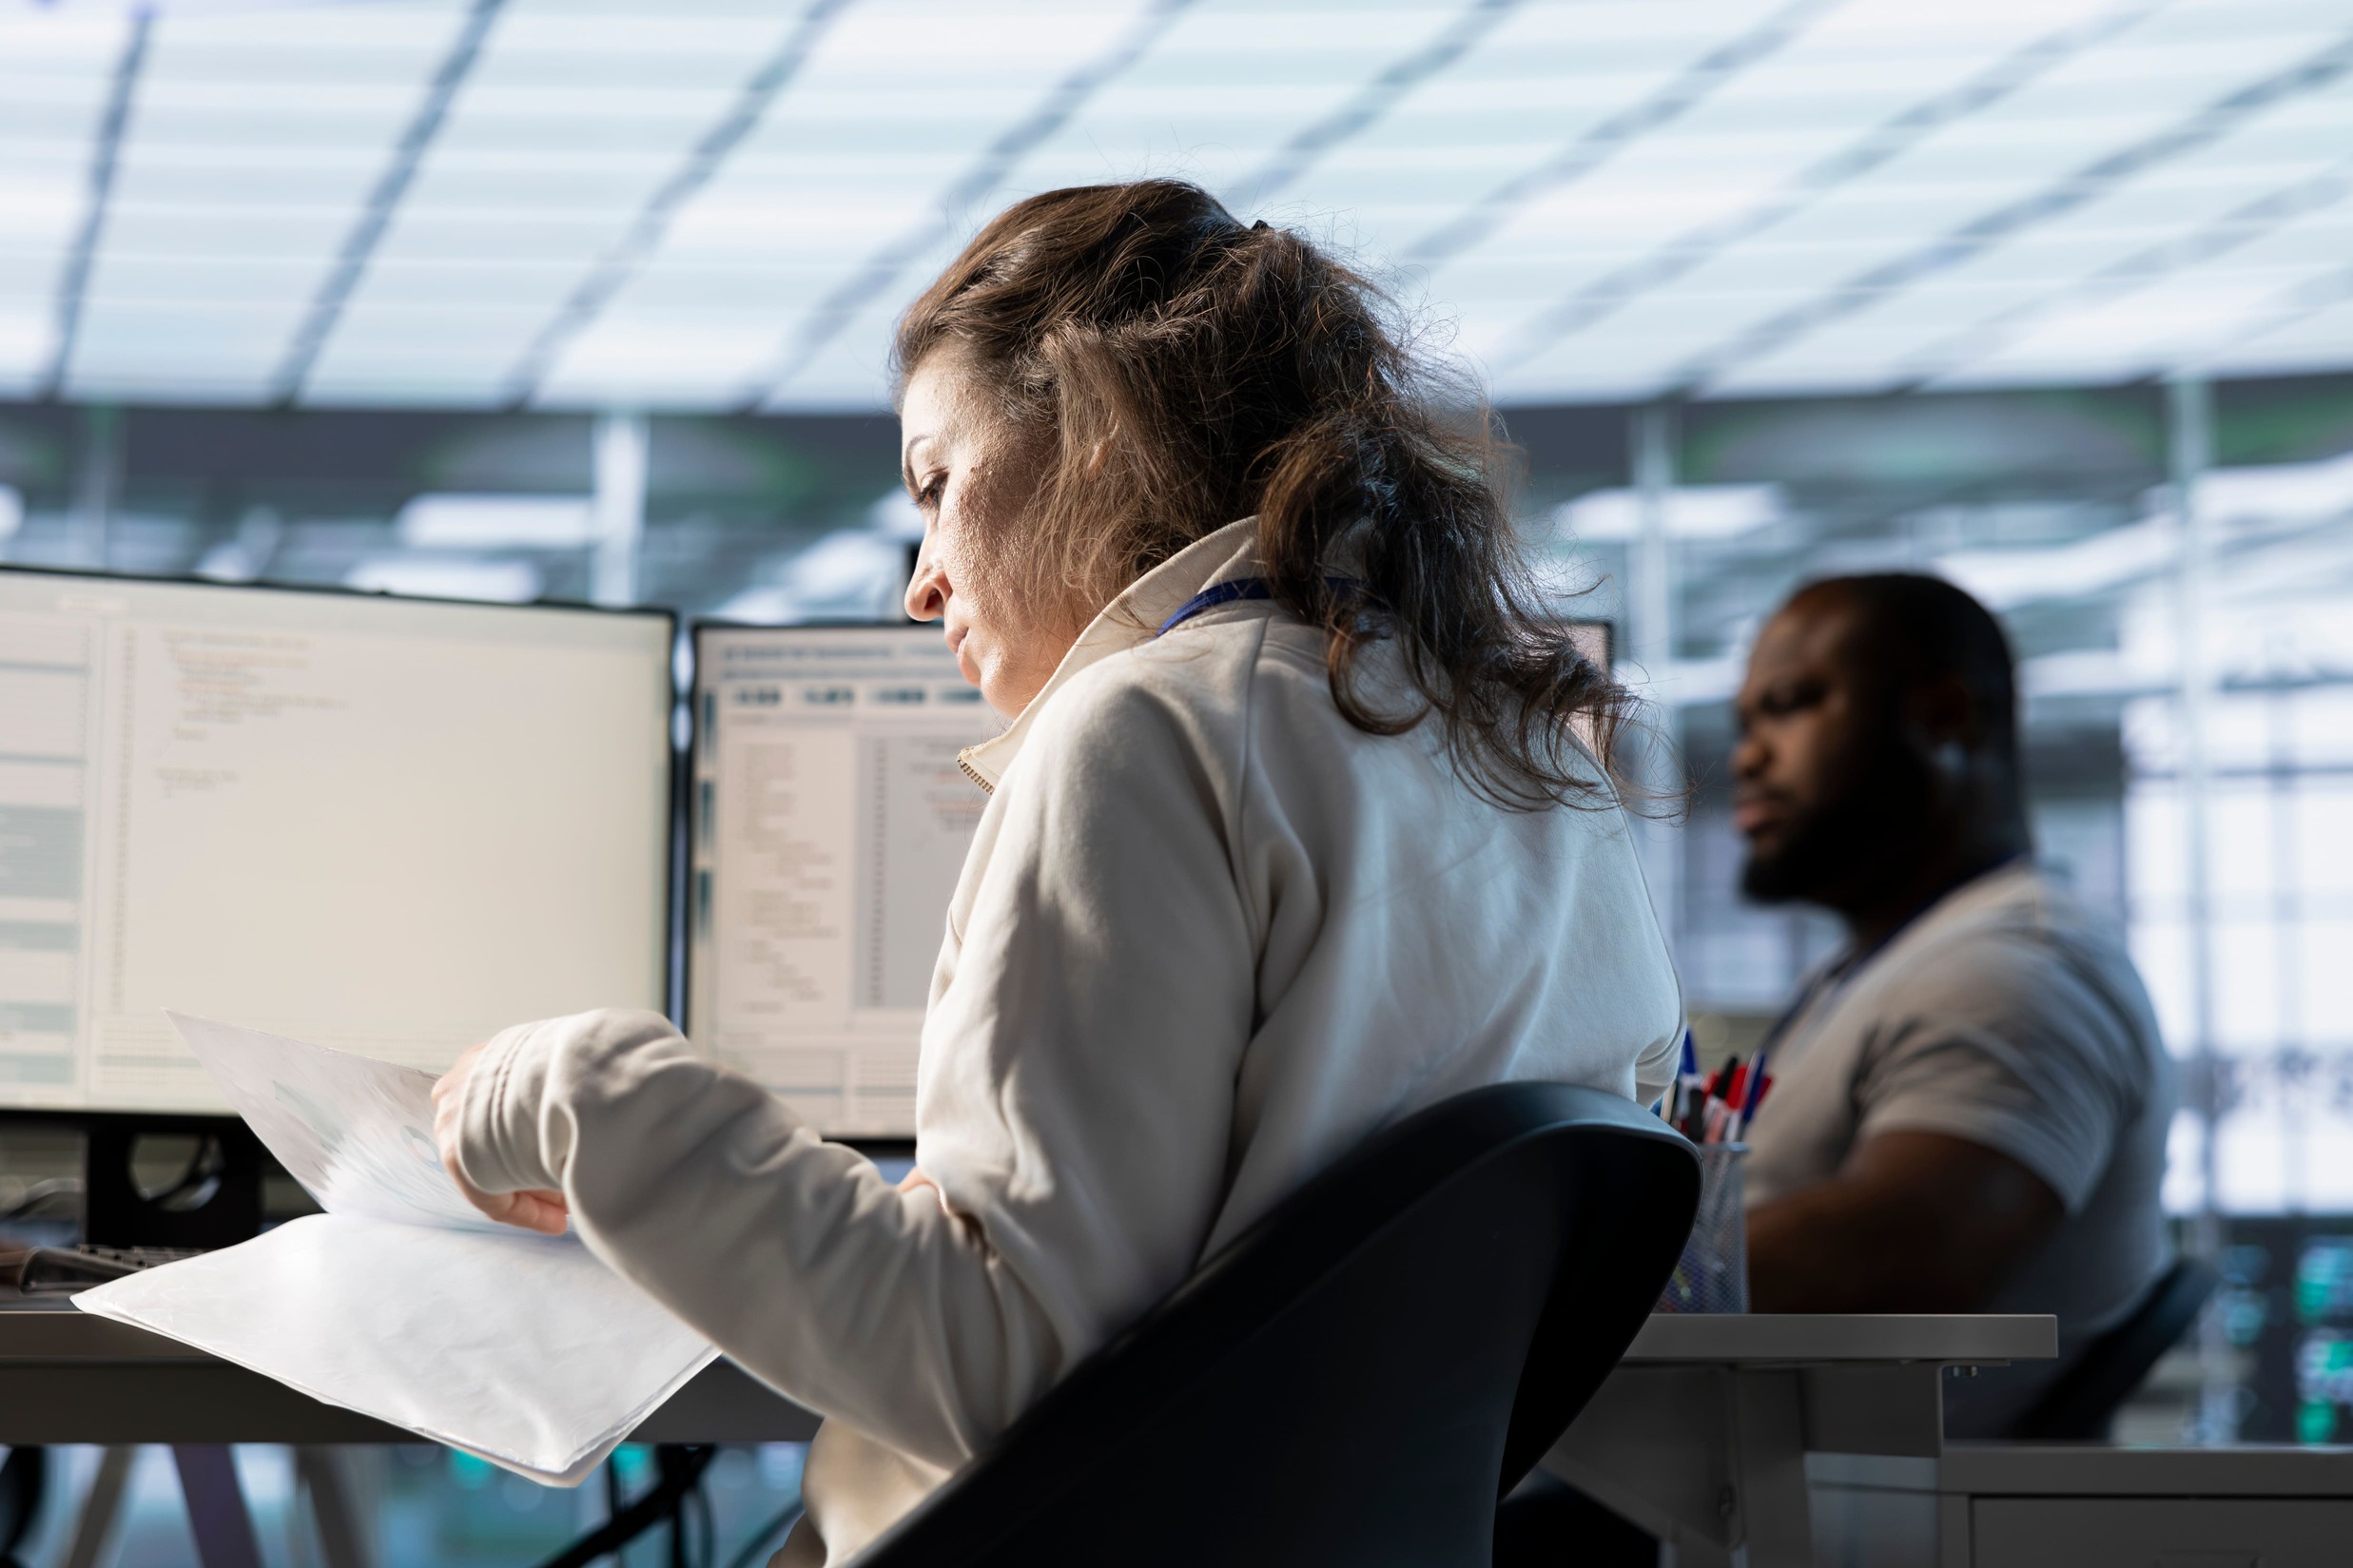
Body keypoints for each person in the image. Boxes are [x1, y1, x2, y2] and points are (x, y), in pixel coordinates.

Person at [430, 180, 1682, 1564]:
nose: (919, 581)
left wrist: (581, 1098)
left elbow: (999, 1371)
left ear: (1090, 437)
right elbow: (1262, 1273)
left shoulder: (1143, 730)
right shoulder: (1529, 758)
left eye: (936, 484)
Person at [1734, 572, 2176, 1436]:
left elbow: (1896, 1254)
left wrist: (1563, 1272)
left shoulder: (2012, 970)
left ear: (1943, 716)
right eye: (1746, 721)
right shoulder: (1882, 964)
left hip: (1848, 1523)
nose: (1748, 754)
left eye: (1790, 705)